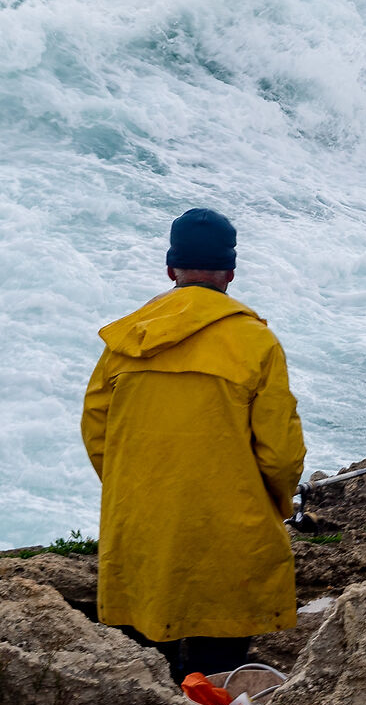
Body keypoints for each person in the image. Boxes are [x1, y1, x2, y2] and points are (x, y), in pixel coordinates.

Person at [81, 207, 306, 680]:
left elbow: (96, 432)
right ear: (230, 272)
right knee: (218, 672)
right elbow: (280, 454)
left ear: (171, 269)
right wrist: (275, 504)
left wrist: (134, 491)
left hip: (142, 529)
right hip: (228, 531)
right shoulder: (256, 342)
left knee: (145, 675)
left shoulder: (126, 339)